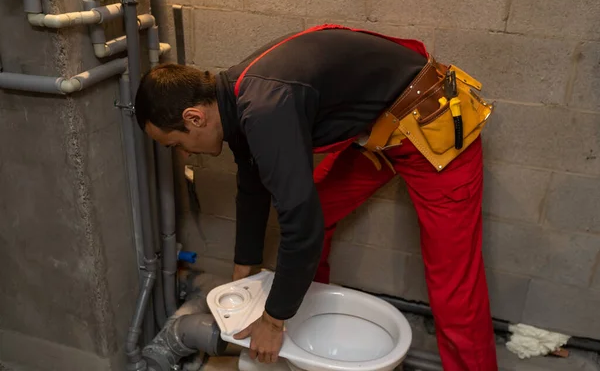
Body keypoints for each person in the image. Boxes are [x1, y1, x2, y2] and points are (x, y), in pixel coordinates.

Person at [135, 24, 498, 370]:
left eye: (175, 144)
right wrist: (242, 272)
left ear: (194, 118)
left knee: (454, 287)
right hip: (382, 130)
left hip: (432, 127)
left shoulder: (264, 108)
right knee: (318, 211)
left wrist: (273, 322)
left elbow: (300, 227)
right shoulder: (236, 95)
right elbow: (252, 184)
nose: (182, 154)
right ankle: (304, 315)